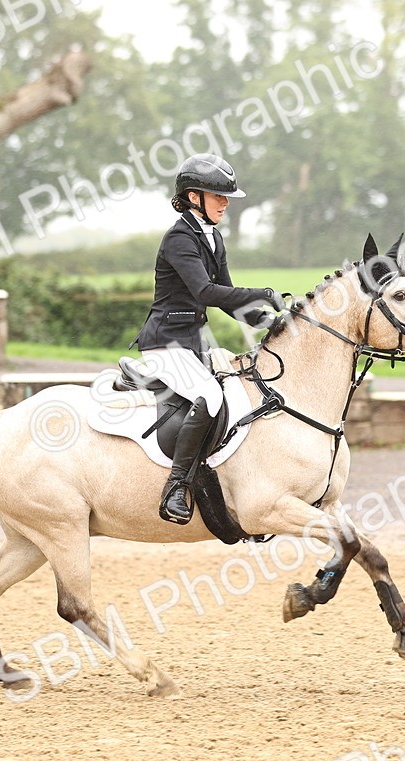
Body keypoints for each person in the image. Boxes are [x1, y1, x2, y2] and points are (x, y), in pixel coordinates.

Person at [131, 153, 282, 525]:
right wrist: (262, 292)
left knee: (235, 394)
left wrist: (267, 321)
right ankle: (176, 487)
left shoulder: (212, 237)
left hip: (192, 344)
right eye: (218, 196)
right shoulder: (179, 238)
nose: (225, 203)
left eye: (227, 197)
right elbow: (205, 292)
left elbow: (227, 296)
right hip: (165, 342)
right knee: (211, 397)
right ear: (193, 197)